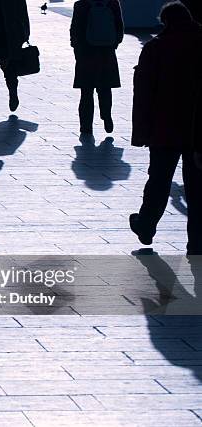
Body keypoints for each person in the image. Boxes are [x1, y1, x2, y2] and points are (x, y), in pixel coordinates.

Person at [129, 1, 202, 256]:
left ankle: (146, 226)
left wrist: (140, 133)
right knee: (197, 189)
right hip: (197, 131)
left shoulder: (155, 48)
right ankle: (197, 243)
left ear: (165, 21)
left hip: (163, 129)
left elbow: (144, 94)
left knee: (159, 181)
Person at [70, 0, 123, 135]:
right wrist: (113, 43)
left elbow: (75, 28)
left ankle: (86, 126)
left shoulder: (81, 4)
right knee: (105, 88)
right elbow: (119, 26)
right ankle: (106, 115)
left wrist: (76, 48)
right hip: (106, 52)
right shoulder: (112, 3)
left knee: (86, 93)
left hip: (86, 53)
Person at [0, 0, 30, 113]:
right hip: (9, 33)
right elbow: (22, 11)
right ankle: (12, 91)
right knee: (9, 66)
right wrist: (25, 33)